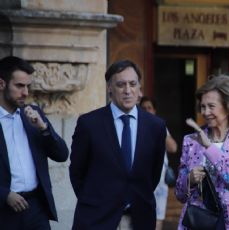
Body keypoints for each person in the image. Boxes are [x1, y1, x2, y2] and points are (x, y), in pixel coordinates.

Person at [69, 60, 166, 229]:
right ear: (109, 88)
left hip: (139, 219)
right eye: (121, 85)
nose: (128, 91)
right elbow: (77, 172)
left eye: (132, 84)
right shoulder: (89, 124)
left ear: (139, 88)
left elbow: (154, 174)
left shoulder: (155, 126)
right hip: (97, 220)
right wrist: (95, 201)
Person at [175, 75, 229, 229]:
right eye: (203, 106)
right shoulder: (191, 141)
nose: (205, 112)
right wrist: (189, 180)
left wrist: (209, 147)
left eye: (211, 106)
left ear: (228, 107)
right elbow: (180, 195)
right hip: (199, 223)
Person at [0, 56, 69, 229]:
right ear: (1, 84)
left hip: (36, 209)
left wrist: (43, 127)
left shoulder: (33, 114)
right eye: (19, 86)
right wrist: (4, 194)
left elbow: (61, 155)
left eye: (28, 86)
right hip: (3, 212)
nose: (25, 93)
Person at [139, 96, 177, 230]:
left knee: (158, 217)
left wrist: (157, 127)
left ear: (154, 111)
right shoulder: (133, 125)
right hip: (140, 182)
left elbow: (173, 147)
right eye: (143, 109)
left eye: (149, 108)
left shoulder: (159, 126)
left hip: (159, 182)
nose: (147, 111)